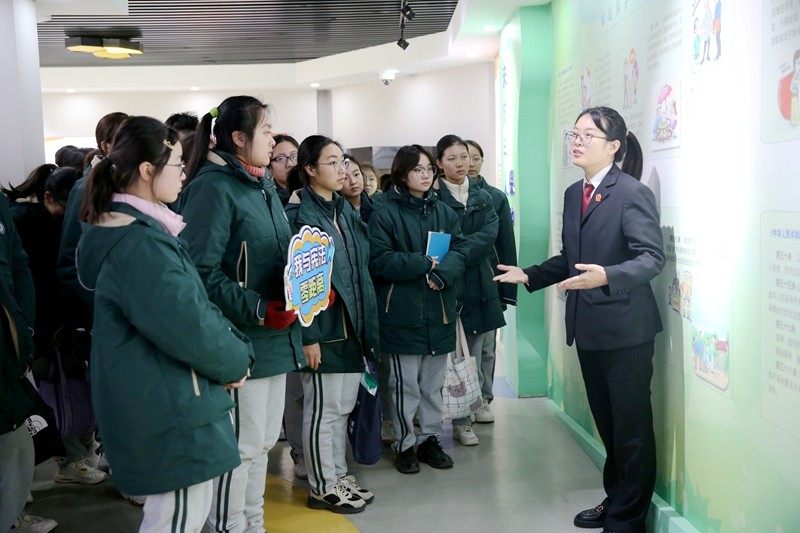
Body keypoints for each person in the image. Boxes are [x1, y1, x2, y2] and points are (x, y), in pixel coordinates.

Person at [76, 115, 253, 533]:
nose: (184, 174)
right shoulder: (139, 243)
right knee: (177, 518)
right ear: (146, 170)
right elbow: (189, 325)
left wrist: (235, 352)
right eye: (177, 165)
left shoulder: (144, 231)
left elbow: (193, 308)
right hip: (170, 405)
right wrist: (236, 360)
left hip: (170, 397)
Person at [494, 106, 664, 533]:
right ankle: (616, 499)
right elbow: (572, 258)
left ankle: (627, 521)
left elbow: (651, 258)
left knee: (631, 429)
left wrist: (607, 276)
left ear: (614, 146)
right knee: (609, 426)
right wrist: (530, 274)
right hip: (588, 329)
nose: (578, 141)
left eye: (589, 135)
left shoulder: (632, 193)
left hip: (626, 331)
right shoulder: (575, 193)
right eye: (575, 133)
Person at [178, 96, 304, 533]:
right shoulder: (212, 187)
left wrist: (305, 285)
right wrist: (257, 307)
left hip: (274, 338)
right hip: (238, 341)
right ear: (237, 137)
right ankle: (228, 526)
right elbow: (200, 273)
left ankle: (253, 523)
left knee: (263, 444)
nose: (273, 139)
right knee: (241, 448)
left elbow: (274, 256)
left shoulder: (262, 184)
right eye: (266, 130)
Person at [284, 135, 380, 514]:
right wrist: (308, 337)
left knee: (341, 409)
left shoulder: (343, 211)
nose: (343, 170)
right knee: (322, 411)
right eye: (333, 162)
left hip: (351, 329)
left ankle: (337, 475)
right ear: (309, 169)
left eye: (343, 161)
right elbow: (299, 286)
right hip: (323, 333)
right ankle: (322, 486)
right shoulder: (300, 217)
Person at [368, 144, 468, 474]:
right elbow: (379, 261)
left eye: (429, 170)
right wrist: (424, 263)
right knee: (404, 387)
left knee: (432, 387)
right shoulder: (384, 212)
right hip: (401, 314)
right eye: (417, 170)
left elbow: (460, 251)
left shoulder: (444, 211)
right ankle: (404, 444)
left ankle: (429, 440)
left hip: (439, 311)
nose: (425, 176)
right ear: (402, 174)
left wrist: (442, 273)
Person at [434, 134, 503, 447]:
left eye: (464, 156)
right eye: (452, 158)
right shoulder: (433, 198)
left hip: (479, 283)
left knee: (474, 356)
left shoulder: (484, 197)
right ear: (439, 163)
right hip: (447, 284)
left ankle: (471, 411)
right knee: (450, 358)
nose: (461, 163)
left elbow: (489, 236)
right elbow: (434, 241)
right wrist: (458, 256)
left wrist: (457, 252)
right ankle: (458, 422)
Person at [0, 192, 59, 533]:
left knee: (16, 440)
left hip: (9, 347)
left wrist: (23, 338)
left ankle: (11, 517)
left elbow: (18, 269)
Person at [465, 139, 518, 424]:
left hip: (491, 281)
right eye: (464, 157)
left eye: (475, 157)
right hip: (460, 283)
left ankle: (484, 398)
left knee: (486, 348)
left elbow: (506, 245)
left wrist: (507, 291)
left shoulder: (495, 197)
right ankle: (463, 402)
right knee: (463, 349)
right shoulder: (442, 197)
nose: (470, 163)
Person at [340, 154, 374, 223]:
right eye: (345, 178)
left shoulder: (377, 209)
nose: (353, 182)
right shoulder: (335, 213)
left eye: (356, 174)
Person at [267, 134, 299, 206]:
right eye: (281, 159)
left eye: (294, 156)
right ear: (269, 168)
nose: (290, 164)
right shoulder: (268, 200)